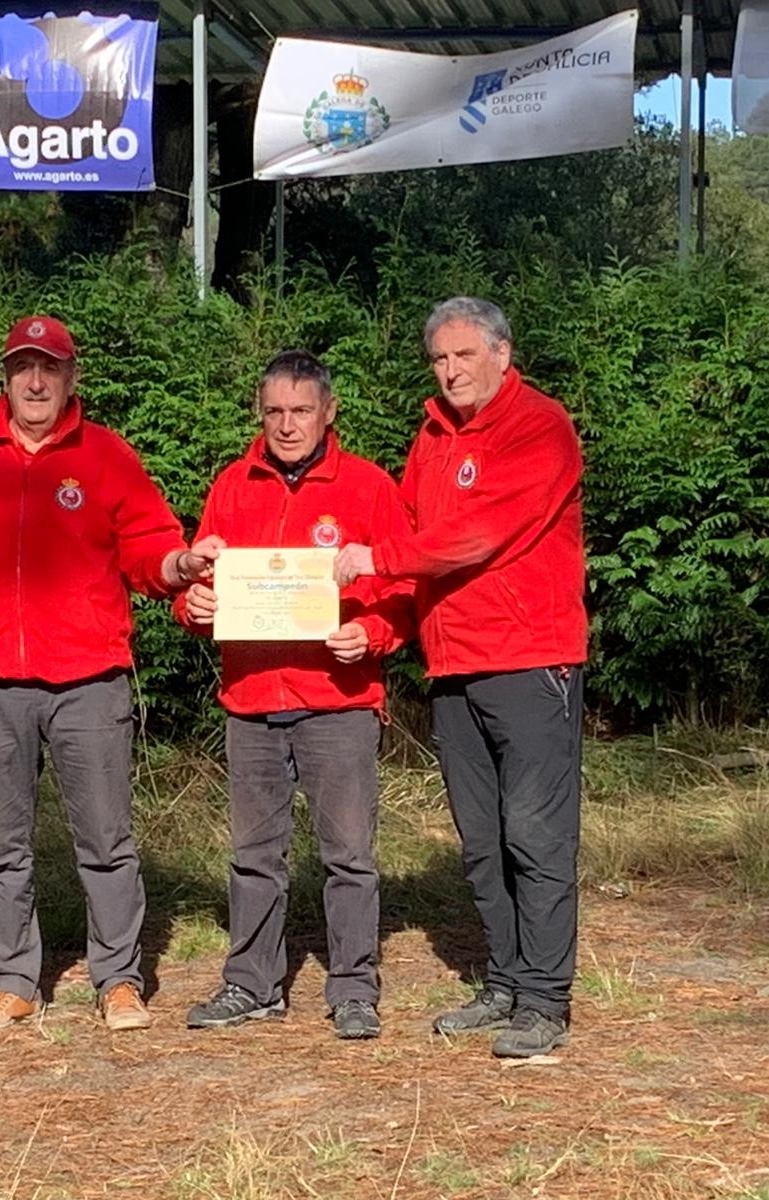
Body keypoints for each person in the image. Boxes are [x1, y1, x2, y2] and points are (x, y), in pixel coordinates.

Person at [0, 314, 213, 1034]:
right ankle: (14, 980)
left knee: (105, 840)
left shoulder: (106, 457)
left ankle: (119, 980)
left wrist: (181, 567)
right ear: (5, 380)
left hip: (88, 679)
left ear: (72, 379)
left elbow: (151, 550)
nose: (35, 380)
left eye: (49, 367)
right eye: (22, 368)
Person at [334, 298, 587, 1059]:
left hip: (529, 659)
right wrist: (378, 628)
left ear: (503, 355)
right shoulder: (433, 438)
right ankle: (506, 981)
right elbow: (414, 542)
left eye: (464, 357)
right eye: (439, 360)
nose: (450, 372)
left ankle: (545, 1000)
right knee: (483, 842)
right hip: (453, 665)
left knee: (536, 834)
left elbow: (477, 535)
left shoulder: (540, 426)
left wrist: (377, 560)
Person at [174, 350, 413, 1040]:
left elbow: (405, 590)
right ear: (261, 412)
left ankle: (354, 989)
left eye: (301, 410)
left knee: (349, 855)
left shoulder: (368, 487)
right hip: (250, 700)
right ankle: (252, 985)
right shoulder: (232, 486)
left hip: (338, 701)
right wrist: (196, 606)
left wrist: (369, 632)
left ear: (329, 412)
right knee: (254, 854)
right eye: (275, 410)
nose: (287, 425)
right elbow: (195, 595)